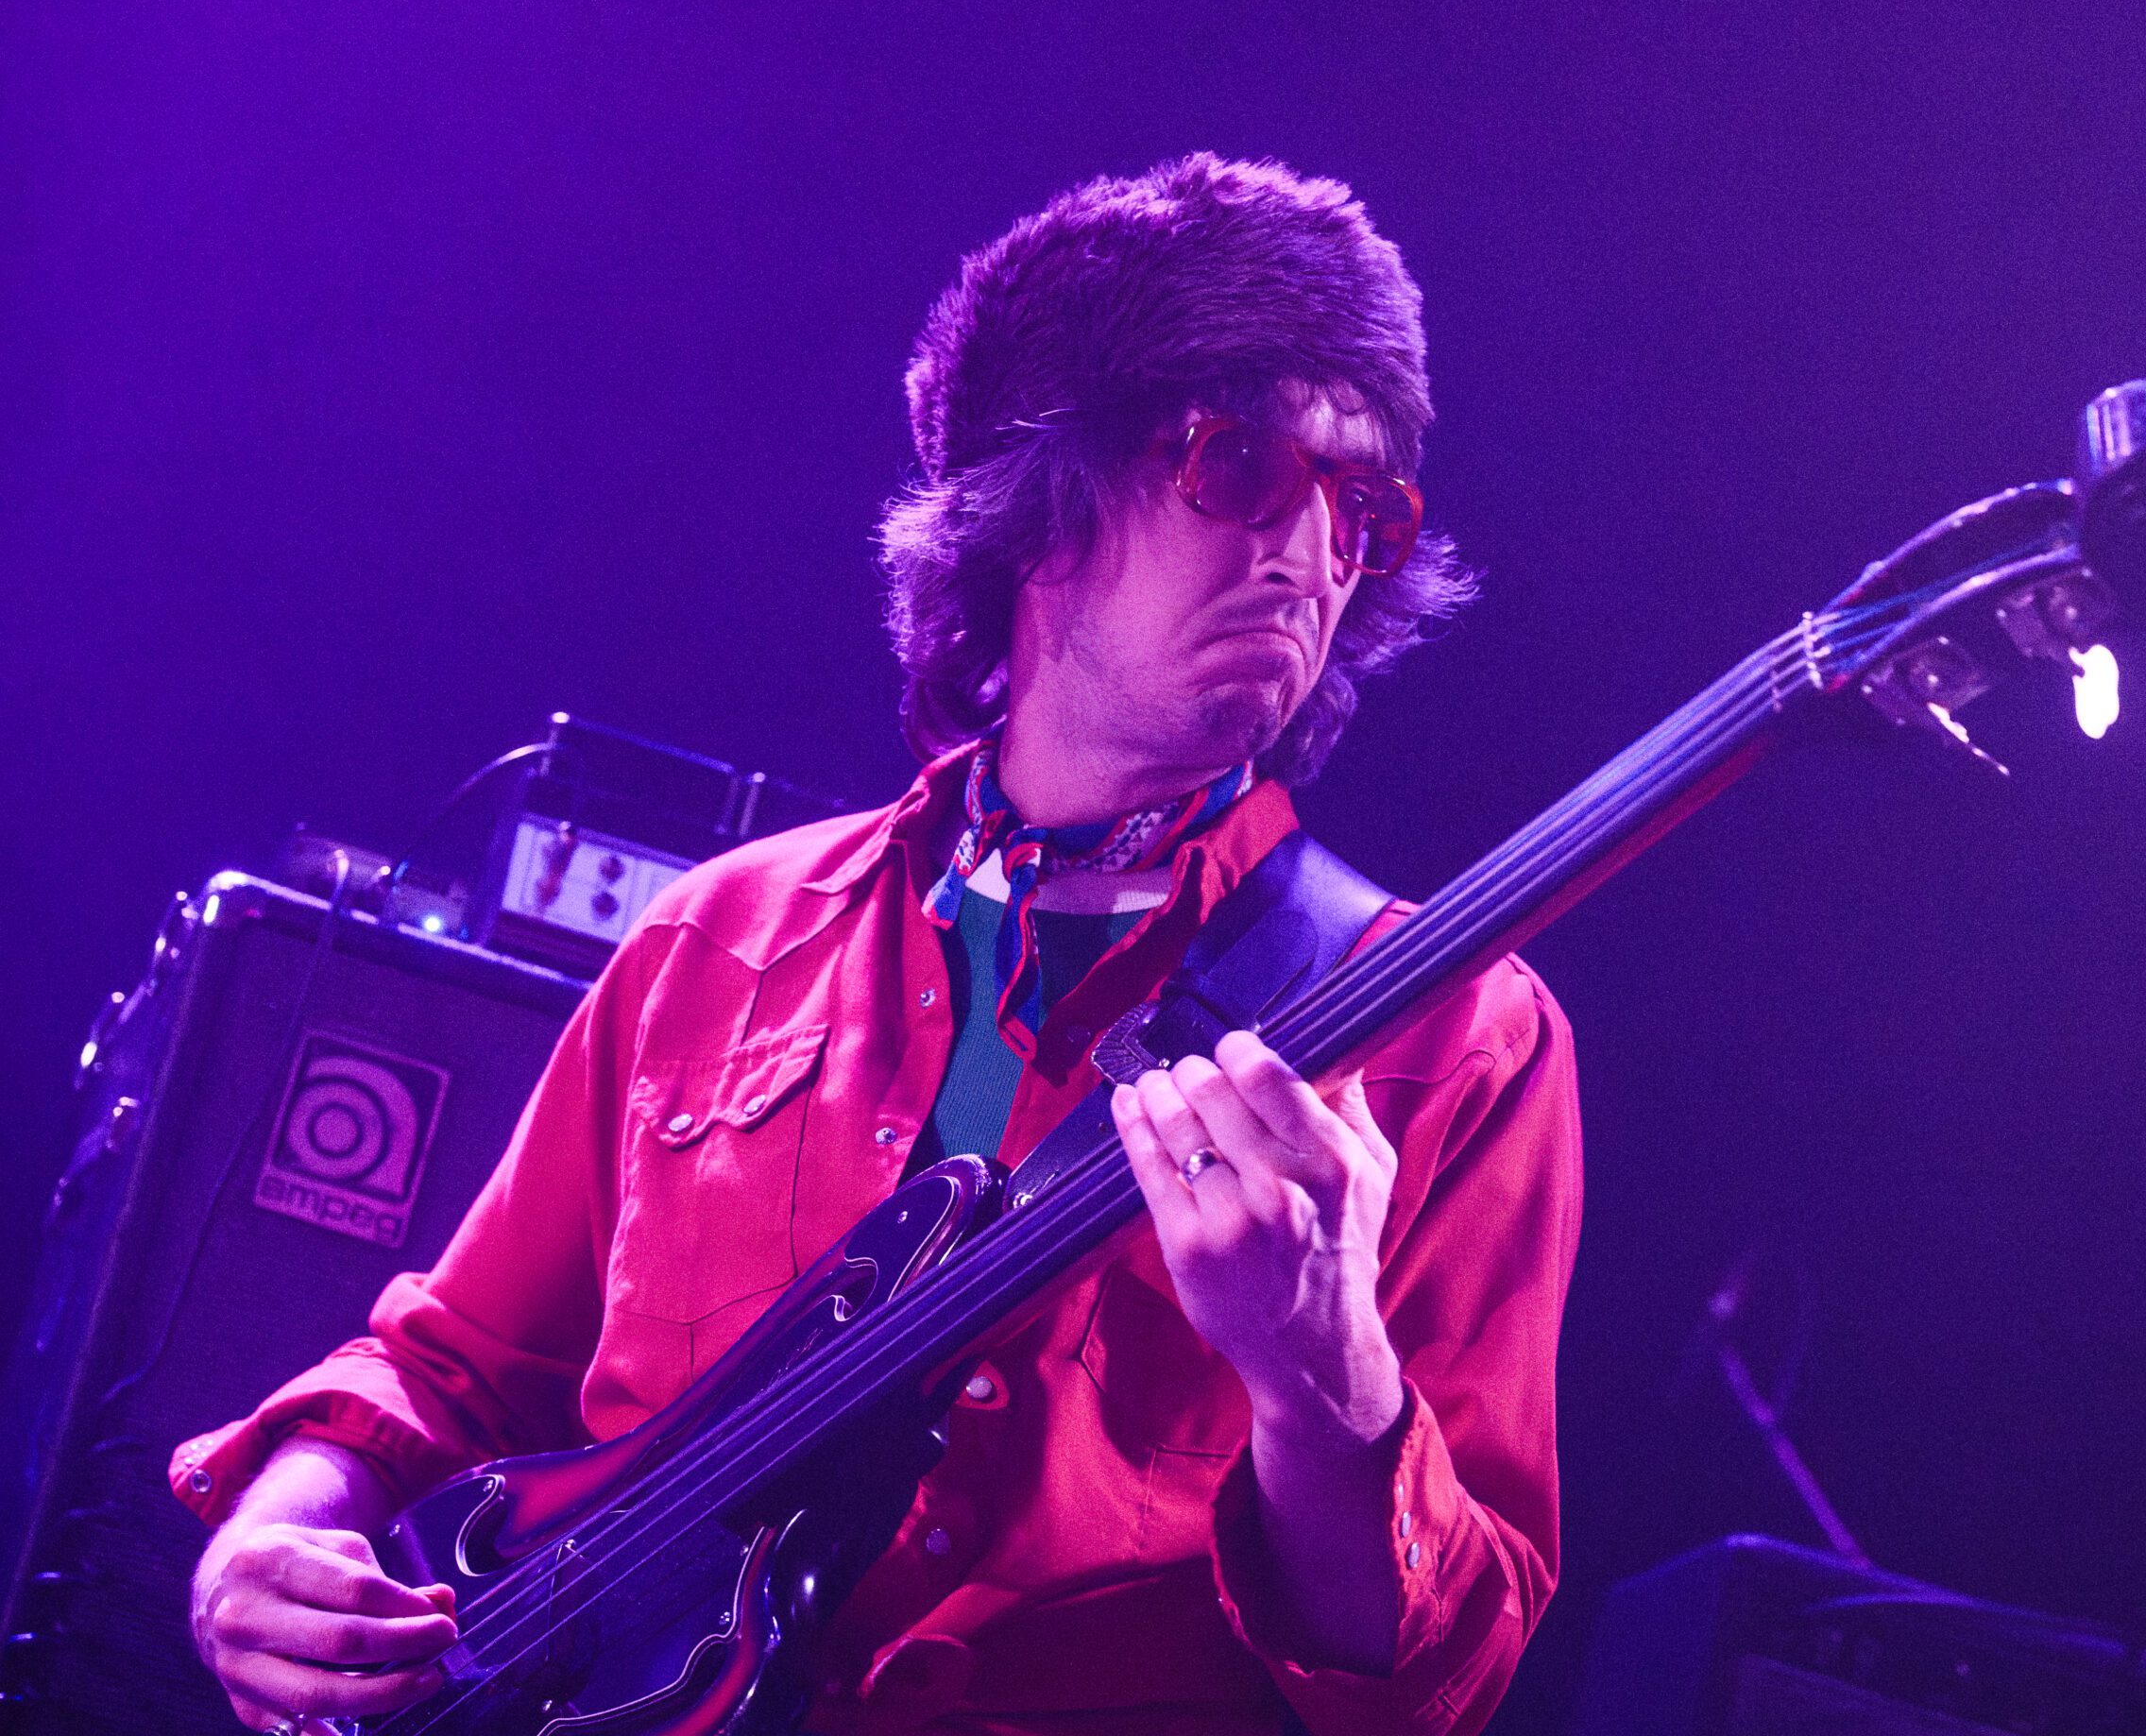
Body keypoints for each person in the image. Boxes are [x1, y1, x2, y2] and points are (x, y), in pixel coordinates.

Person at [178, 154, 1584, 1735]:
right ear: (1037, 501)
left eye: (1360, 508)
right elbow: (450, 1370)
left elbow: (1434, 1689)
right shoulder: (718, 939)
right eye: (1240, 462)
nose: (1310, 549)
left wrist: (1323, 1379)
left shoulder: (1452, 1033)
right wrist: (276, 1529)